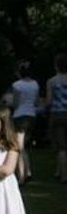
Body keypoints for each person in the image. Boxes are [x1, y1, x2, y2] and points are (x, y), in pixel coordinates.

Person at [6, 60, 39, 183]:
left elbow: (15, 103)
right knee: (22, 146)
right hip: (32, 115)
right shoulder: (35, 84)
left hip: (20, 115)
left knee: (18, 146)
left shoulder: (17, 85)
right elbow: (36, 102)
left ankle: (21, 175)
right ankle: (27, 171)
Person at [43, 53, 67, 183]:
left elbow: (49, 100)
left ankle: (63, 176)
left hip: (57, 114)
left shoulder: (52, 81)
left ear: (56, 66)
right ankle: (59, 171)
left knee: (61, 147)